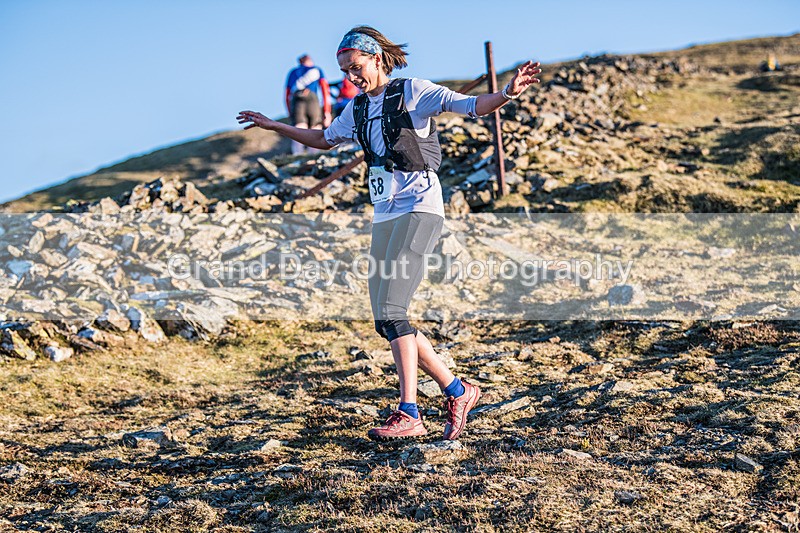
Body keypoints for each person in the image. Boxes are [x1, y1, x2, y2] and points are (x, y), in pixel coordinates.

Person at [237, 26, 541, 441]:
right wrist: (276, 126)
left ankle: (410, 411)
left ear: (377, 59)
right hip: (385, 214)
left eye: (356, 68)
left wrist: (506, 93)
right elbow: (324, 139)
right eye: (345, 71)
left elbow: (471, 105)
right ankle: (458, 389)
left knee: (395, 310)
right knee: (385, 317)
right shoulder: (357, 108)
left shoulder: (413, 91)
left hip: (421, 209)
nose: (352, 77)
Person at [284, 54, 332, 154]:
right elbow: (325, 90)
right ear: (309, 60)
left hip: (297, 101)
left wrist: (289, 112)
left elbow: (287, 94)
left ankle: (298, 156)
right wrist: (327, 111)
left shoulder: (293, 72)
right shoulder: (316, 69)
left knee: (298, 128)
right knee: (315, 128)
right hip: (312, 100)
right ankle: (313, 155)